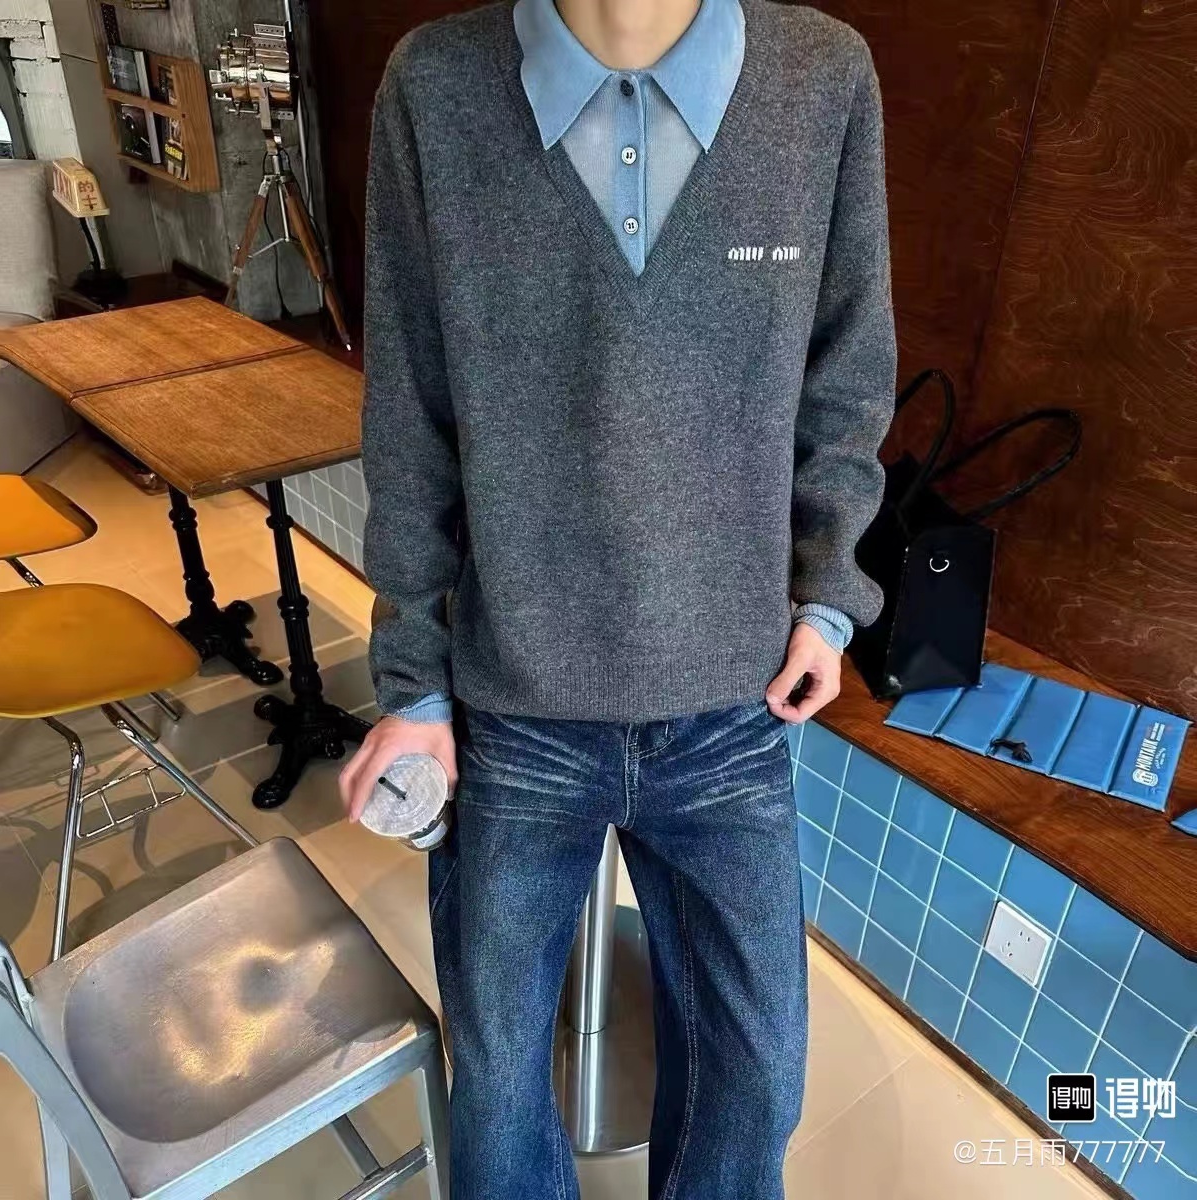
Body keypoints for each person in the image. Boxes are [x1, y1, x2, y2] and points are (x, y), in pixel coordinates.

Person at [339, 0, 895, 1195]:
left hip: (734, 700)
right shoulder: (436, 85)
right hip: (514, 703)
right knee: (499, 1082)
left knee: (758, 1083)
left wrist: (828, 595)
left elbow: (847, 373)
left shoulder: (820, 78)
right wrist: (413, 687)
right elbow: (409, 410)